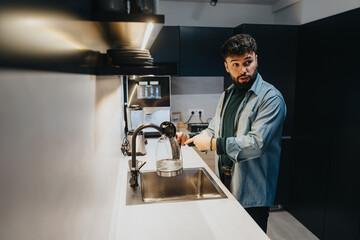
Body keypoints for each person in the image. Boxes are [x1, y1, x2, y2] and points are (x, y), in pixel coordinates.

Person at [176, 34, 286, 233]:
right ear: (226, 67)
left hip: (253, 195)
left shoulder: (271, 98)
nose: (243, 70)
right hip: (225, 182)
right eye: (235, 64)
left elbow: (256, 144)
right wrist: (190, 139)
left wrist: (212, 144)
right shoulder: (227, 94)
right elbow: (213, 130)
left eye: (248, 62)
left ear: (256, 60)